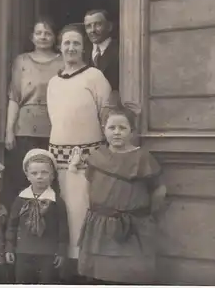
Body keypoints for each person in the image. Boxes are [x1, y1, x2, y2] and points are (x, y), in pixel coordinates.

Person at [73, 92, 167, 285]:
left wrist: (146, 215)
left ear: (132, 131)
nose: (116, 132)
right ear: (104, 130)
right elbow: (89, 186)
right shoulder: (97, 156)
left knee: (128, 275)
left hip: (132, 227)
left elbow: (159, 191)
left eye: (122, 128)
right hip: (100, 225)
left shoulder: (142, 158)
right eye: (112, 127)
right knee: (100, 274)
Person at [46, 23, 111, 283]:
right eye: (66, 43)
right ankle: (67, 267)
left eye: (75, 43)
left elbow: (105, 113)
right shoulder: (53, 82)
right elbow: (55, 117)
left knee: (84, 207)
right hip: (59, 153)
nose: (70, 47)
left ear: (83, 47)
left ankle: (88, 267)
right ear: (60, 48)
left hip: (88, 154)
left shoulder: (94, 76)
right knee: (64, 209)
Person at [3, 17, 64, 209]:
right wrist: (9, 131)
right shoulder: (21, 61)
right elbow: (14, 96)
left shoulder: (62, 61)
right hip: (25, 128)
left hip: (54, 128)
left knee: (50, 179)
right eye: (39, 33)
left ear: (55, 37)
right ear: (32, 37)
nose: (43, 37)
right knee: (23, 180)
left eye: (48, 33)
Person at [5, 149, 69, 284]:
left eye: (44, 172)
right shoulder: (21, 199)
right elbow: (12, 225)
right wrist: (10, 247)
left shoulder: (56, 201)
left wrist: (62, 251)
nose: (39, 176)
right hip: (23, 251)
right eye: (34, 173)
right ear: (27, 176)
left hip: (48, 253)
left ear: (52, 175)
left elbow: (63, 228)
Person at [83, 9, 119, 91]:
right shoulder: (82, 51)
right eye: (88, 26)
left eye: (98, 25)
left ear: (109, 26)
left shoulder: (120, 50)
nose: (92, 30)